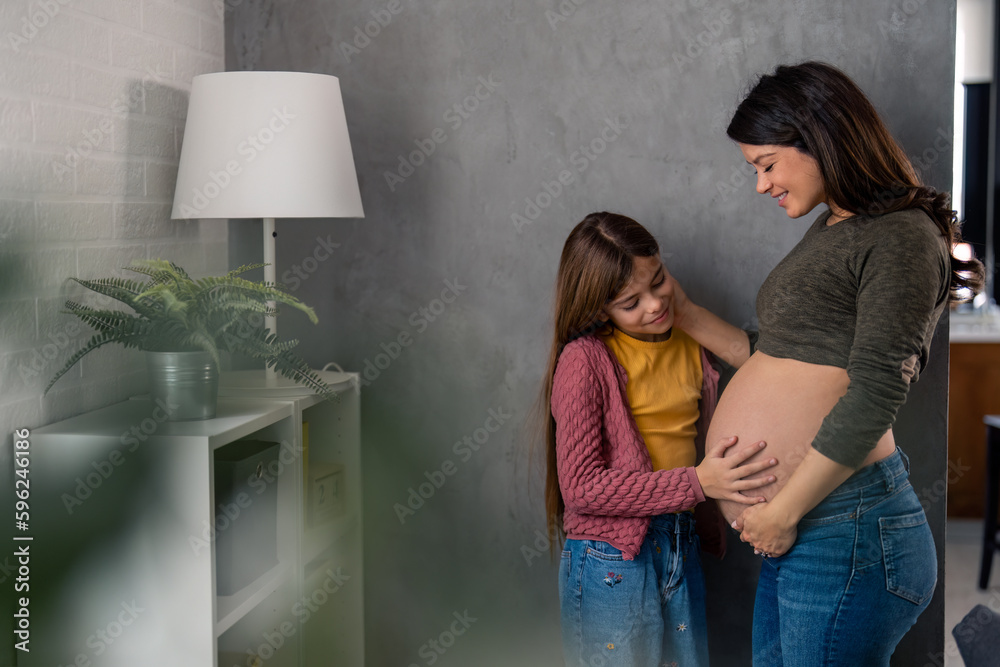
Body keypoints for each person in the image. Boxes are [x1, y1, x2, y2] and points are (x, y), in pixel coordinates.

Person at [671, 61, 985, 666]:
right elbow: (779, 357)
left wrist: (782, 513)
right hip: (810, 530)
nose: (761, 185)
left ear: (817, 138)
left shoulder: (900, 237)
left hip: (847, 529)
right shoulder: (835, 226)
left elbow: (874, 391)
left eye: (766, 164)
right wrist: (680, 311)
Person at [542, 211, 780, 666]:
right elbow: (582, 487)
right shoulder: (585, 360)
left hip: (680, 539)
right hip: (612, 555)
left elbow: (761, 376)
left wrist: (706, 512)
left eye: (658, 280)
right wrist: (698, 484)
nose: (654, 305)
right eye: (631, 302)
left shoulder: (690, 342)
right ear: (598, 309)